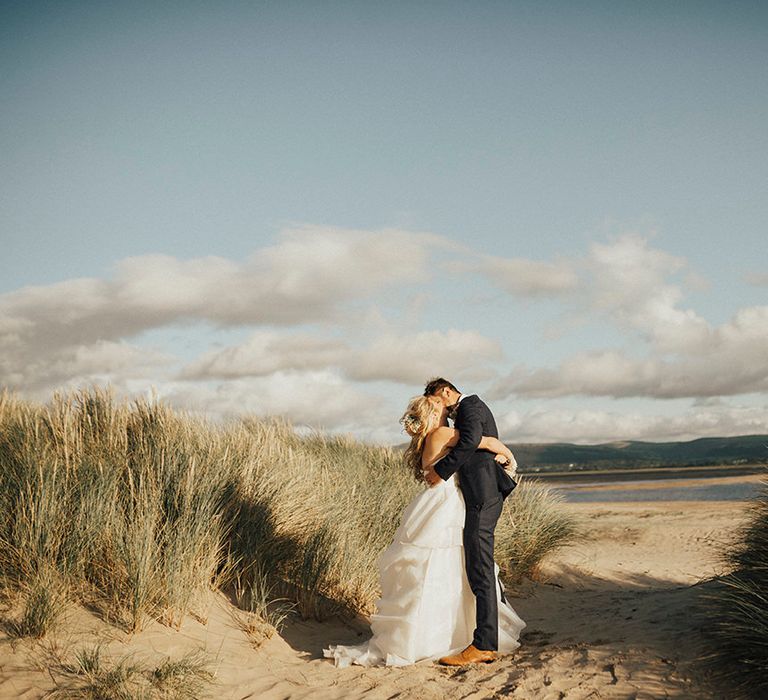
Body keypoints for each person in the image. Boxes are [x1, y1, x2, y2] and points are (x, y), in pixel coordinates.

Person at [323, 392, 525, 668]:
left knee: (445, 568)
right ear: (433, 414)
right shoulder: (441, 433)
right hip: (446, 502)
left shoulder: (432, 437)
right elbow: (480, 441)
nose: (449, 410)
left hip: (440, 500)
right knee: (447, 565)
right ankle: (460, 637)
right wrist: (504, 452)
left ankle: (447, 636)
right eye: (442, 408)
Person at [423, 377, 517, 666]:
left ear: (447, 391)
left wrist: (440, 471)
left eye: (439, 400)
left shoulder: (470, 406)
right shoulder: (467, 410)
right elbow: (479, 443)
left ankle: (484, 645)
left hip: (484, 494)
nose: (442, 409)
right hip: (482, 493)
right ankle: (489, 638)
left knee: (480, 569)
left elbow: (472, 441)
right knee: (480, 566)